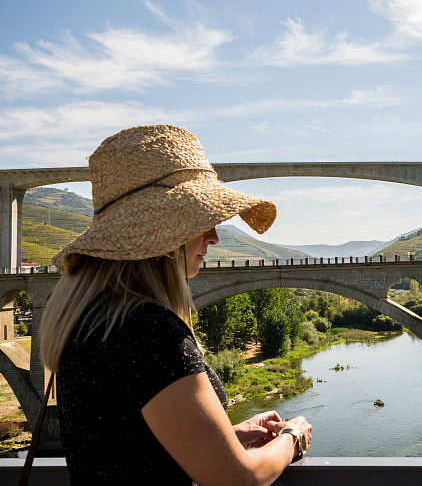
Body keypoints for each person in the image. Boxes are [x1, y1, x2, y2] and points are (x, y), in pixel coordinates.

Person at [39, 124, 312, 485]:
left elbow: (129, 446)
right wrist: (292, 439)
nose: (213, 236)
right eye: (200, 222)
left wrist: (231, 435)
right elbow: (237, 477)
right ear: (166, 236)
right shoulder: (149, 331)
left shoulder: (94, 319)